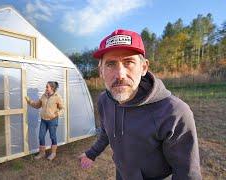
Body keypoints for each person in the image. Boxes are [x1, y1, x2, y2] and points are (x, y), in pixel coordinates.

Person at [79, 29, 202, 179]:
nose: (120, 75)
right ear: (101, 72)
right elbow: (106, 132)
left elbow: (187, 174)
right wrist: (91, 154)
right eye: (111, 64)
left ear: (144, 68)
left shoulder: (174, 112)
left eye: (128, 62)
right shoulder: (104, 100)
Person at [25, 81, 64, 161]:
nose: (46, 88)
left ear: (52, 88)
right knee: (41, 136)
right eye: (46, 87)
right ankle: (42, 153)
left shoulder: (57, 97)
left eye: (47, 87)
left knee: (52, 136)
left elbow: (62, 108)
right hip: (44, 120)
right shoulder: (43, 96)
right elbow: (37, 105)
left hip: (52, 120)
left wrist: (56, 114)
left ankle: (53, 153)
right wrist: (29, 102)